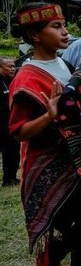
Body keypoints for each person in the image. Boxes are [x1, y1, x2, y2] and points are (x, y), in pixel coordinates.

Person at [9, 2, 81, 266]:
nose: (65, 32)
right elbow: (19, 132)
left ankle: (60, 263)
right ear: (35, 35)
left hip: (74, 160)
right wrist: (49, 116)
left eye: (64, 25)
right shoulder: (26, 77)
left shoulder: (62, 63)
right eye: (56, 26)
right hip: (48, 167)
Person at [1, 57, 20, 186]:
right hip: (2, 124)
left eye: (14, 66)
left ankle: (11, 177)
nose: (13, 69)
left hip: (11, 122)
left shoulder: (13, 81)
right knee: (7, 150)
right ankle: (8, 178)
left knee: (14, 149)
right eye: (9, 66)